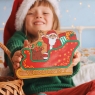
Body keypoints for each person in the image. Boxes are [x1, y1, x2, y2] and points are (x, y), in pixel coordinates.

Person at [4, 0, 95, 95]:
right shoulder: (19, 38)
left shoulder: (60, 40)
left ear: (53, 20)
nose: (39, 16)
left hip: (65, 90)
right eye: (30, 13)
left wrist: (73, 61)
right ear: (23, 20)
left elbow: (69, 73)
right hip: (36, 91)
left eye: (45, 13)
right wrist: (17, 56)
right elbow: (12, 49)